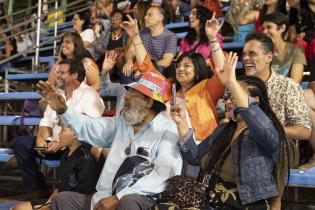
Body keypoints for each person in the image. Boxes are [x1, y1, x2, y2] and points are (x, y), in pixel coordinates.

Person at [153, 52, 288, 210]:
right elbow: (194, 157)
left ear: (255, 101)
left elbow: (259, 124)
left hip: (241, 205)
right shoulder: (223, 128)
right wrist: (181, 124)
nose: (228, 101)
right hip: (208, 201)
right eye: (228, 96)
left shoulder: (266, 131)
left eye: (234, 95)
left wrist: (231, 82)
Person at [36, 71, 183, 210]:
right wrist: (63, 109)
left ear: (149, 102)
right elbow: (89, 126)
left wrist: (118, 197)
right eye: (128, 92)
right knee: (62, 200)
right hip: (105, 198)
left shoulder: (168, 130)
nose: (126, 97)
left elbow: (162, 175)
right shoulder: (121, 124)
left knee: (129, 202)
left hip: (145, 199)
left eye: (133, 94)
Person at [120, 13, 225, 141]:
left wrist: (213, 38)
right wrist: (136, 37)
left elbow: (222, 71)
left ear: (198, 70)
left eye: (187, 66)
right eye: (178, 66)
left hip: (198, 147)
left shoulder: (206, 89)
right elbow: (147, 67)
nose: (180, 69)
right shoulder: (168, 87)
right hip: (165, 143)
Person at [12, 59, 105, 198]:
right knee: (20, 143)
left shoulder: (89, 95)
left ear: (74, 75)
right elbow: (46, 122)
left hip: (74, 146)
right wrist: (41, 141)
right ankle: (37, 191)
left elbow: (87, 129)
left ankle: (64, 195)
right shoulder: (57, 94)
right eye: (57, 72)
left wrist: (60, 144)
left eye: (62, 73)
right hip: (54, 143)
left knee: (78, 149)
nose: (58, 76)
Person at [243, 32, 312, 210]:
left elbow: (304, 131)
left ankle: (274, 205)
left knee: (270, 145)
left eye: (252, 54)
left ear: (269, 57)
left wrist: (272, 128)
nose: (245, 58)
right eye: (244, 54)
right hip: (245, 142)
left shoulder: (287, 85)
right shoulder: (240, 86)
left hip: (282, 146)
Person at [13, 122, 100, 210]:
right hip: (59, 200)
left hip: (71, 204)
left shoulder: (86, 159)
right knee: (18, 208)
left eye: (62, 130)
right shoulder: (66, 154)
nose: (58, 134)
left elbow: (82, 198)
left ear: (75, 134)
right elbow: (59, 188)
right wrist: (46, 205)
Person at [123, 5, 177, 77]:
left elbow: (166, 61)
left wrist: (147, 67)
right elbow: (130, 51)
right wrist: (129, 61)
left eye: (149, 15)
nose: (145, 17)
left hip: (158, 70)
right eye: (146, 15)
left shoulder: (170, 36)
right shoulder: (143, 32)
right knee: (126, 71)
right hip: (142, 67)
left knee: (159, 69)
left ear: (160, 18)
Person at [262, 12, 307, 83]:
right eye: (263, 28)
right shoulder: (262, 52)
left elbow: (295, 81)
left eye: (269, 27)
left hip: (288, 92)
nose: (264, 31)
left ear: (282, 28)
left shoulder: (296, 50)